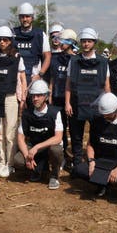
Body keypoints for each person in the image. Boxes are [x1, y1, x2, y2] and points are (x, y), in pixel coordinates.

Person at [73, 92, 117, 202]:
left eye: (108, 114)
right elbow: (90, 144)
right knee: (79, 170)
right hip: (102, 162)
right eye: (103, 114)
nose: (105, 117)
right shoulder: (97, 122)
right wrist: (91, 161)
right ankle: (102, 185)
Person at [0, 25, 27, 178]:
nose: (3, 42)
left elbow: (22, 79)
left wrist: (22, 98)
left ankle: (10, 164)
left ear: (11, 41)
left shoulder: (17, 58)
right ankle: (1, 162)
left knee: (10, 132)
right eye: (0, 39)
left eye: (6, 39)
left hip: (10, 98)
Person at [65, 27, 111, 167]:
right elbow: (68, 85)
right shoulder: (73, 60)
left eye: (89, 41)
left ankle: (96, 164)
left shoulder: (103, 62)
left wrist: (108, 105)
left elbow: (107, 86)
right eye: (83, 41)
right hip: (77, 105)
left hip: (96, 106)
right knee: (76, 137)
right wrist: (67, 103)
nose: (86, 44)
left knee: (96, 135)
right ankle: (77, 164)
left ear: (94, 43)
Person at [13, 80, 64, 189]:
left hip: (48, 147)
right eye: (33, 96)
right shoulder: (27, 113)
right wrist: (27, 156)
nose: (35, 98)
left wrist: (37, 147)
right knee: (18, 161)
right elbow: (20, 138)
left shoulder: (55, 113)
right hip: (32, 148)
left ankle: (54, 176)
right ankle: (38, 169)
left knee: (57, 150)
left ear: (46, 96)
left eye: (39, 95)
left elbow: (58, 137)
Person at [49, 28, 77, 168]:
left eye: (64, 41)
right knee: (60, 128)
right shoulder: (55, 58)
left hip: (71, 101)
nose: (60, 43)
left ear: (71, 42)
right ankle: (62, 155)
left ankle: (75, 159)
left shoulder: (76, 60)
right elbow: (53, 79)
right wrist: (50, 96)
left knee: (73, 129)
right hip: (57, 99)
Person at [13, 2, 51, 84]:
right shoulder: (12, 33)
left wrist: (40, 74)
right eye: (22, 17)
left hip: (34, 78)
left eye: (27, 16)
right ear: (19, 18)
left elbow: (47, 56)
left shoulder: (40, 34)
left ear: (32, 18)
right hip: (16, 78)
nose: (25, 19)